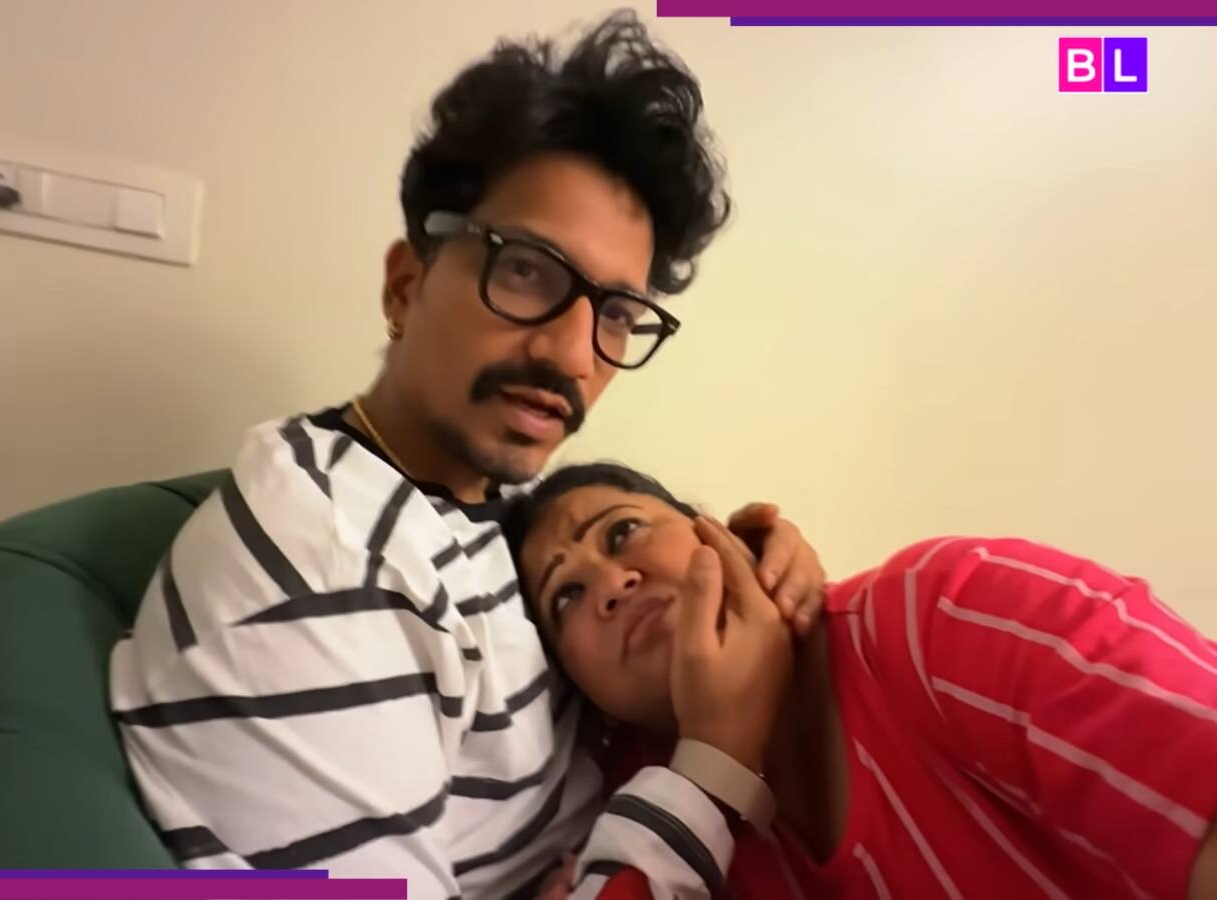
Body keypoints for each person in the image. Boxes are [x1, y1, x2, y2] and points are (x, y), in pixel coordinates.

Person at [109, 12, 826, 900]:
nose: (574, 355)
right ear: (405, 285)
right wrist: (719, 759)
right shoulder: (324, 562)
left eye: (615, 314)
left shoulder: (483, 514)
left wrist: (752, 573)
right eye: (526, 269)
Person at [505, 462, 1217, 900]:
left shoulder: (947, 610)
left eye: (622, 532)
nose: (610, 582)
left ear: (721, 533)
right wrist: (711, 762)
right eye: (566, 596)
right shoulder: (641, 818)